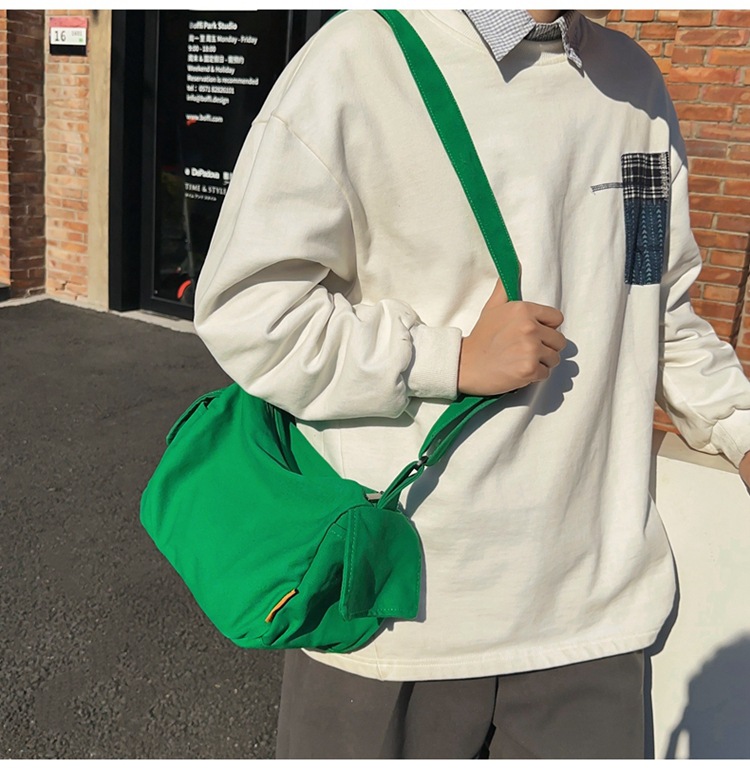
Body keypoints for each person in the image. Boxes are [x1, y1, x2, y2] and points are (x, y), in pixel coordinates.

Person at [193, 9, 750, 759]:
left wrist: (739, 425)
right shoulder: (357, 61)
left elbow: (653, 301)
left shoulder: (634, 88)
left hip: (593, 619)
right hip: (399, 616)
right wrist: (447, 358)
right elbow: (249, 311)